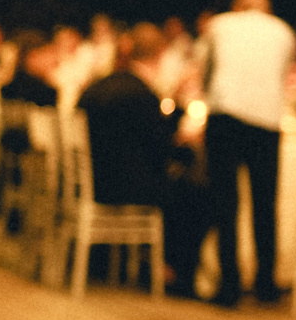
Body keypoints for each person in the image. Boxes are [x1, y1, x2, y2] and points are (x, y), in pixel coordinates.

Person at [76, 23, 212, 296]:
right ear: (160, 54)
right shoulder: (140, 94)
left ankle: (150, 265)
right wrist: (186, 143)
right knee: (202, 193)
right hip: (122, 188)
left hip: (92, 183)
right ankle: (175, 274)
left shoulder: (97, 87)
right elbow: (162, 150)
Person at [200, 0, 296, 307]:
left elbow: (208, 71)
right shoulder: (283, 31)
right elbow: (279, 76)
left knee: (225, 202)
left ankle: (229, 285)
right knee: (265, 203)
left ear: (238, 7)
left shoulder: (220, 25)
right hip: (267, 121)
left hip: (225, 117)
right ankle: (266, 282)